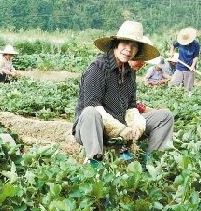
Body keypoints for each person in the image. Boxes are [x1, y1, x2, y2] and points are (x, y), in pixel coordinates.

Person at [73, 20, 174, 166]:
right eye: (125, 43)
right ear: (116, 44)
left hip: (121, 128)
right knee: (90, 112)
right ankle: (95, 163)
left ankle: (153, 165)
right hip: (93, 128)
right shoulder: (98, 68)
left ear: (137, 51)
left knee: (165, 116)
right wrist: (120, 129)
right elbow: (94, 107)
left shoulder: (129, 72)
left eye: (134, 46)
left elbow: (131, 107)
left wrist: (136, 127)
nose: (129, 49)